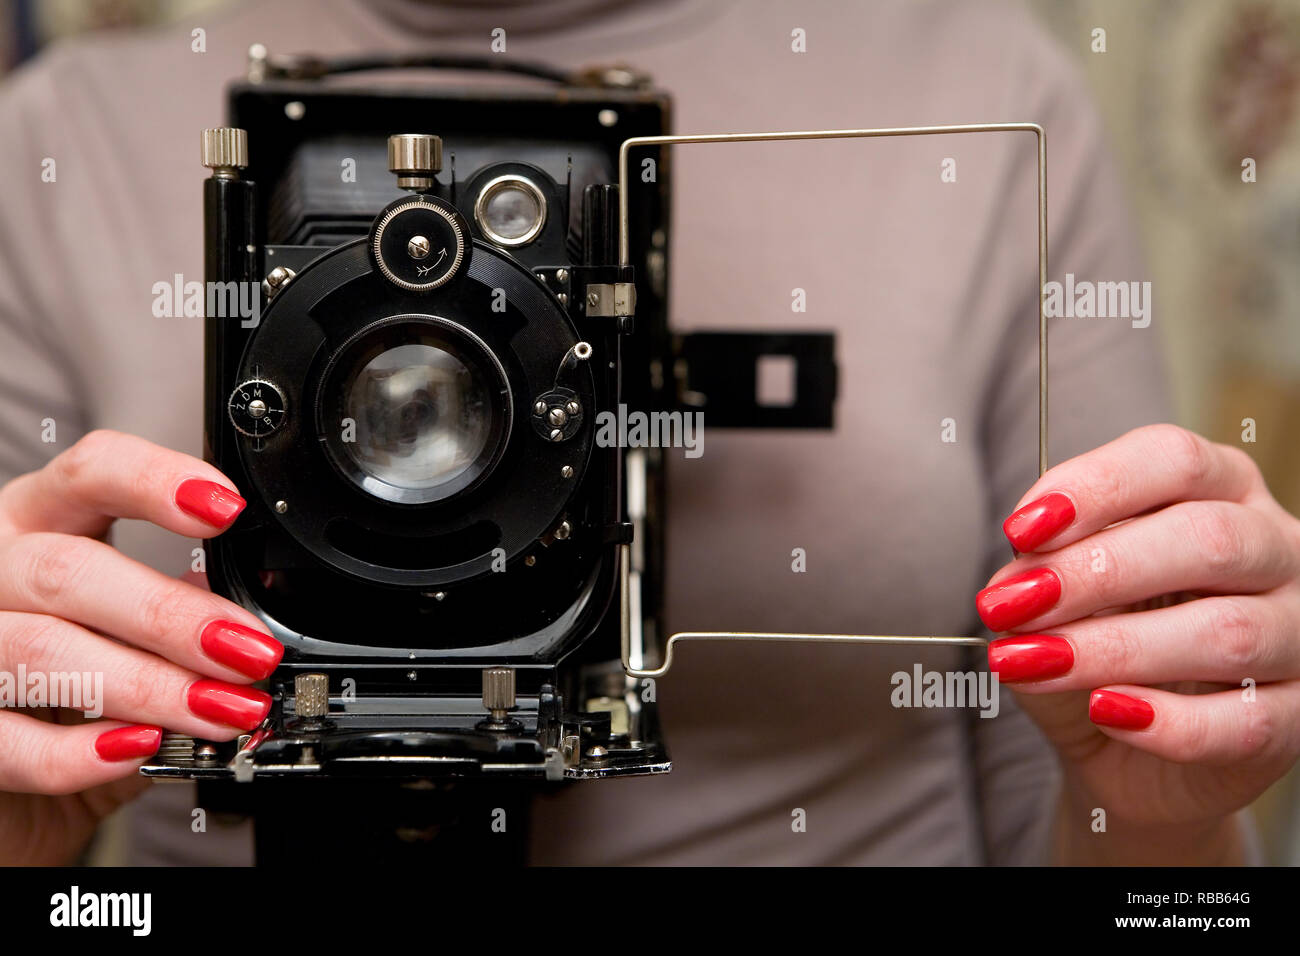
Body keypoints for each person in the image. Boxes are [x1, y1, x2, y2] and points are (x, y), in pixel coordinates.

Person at [0, 0, 1295, 866]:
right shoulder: (60, 135)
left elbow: (1091, 830)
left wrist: (1160, 811)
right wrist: (25, 835)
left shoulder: (984, 88)